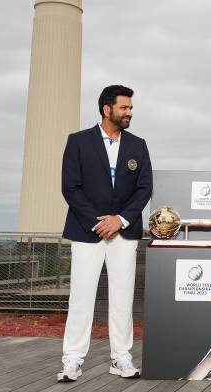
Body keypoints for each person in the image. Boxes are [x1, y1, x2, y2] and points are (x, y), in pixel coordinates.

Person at [57, 85, 152, 382]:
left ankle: (121, 357)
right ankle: (72, 359)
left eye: (131, 108)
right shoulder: (78, 142)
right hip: (88, 231)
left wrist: (120, 219)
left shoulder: (138, 145)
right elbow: (70, 186)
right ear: (106, 109)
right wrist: (99, 222)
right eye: (124, 108)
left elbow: (144, 188)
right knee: (81, 297)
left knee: (123, 298)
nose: (129, 113)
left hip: (124, 233)